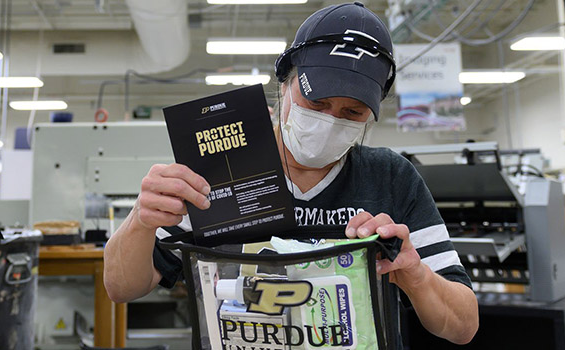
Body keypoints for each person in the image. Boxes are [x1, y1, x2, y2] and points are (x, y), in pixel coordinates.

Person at [104, 2, 478, 346]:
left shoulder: (391, 178)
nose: (330, 121)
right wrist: (141, 220)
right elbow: (121, 287)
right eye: (316, 102)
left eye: (353, 113)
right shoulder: (219, 168)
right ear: (283, 84)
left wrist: (416, 275)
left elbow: (463, 326)